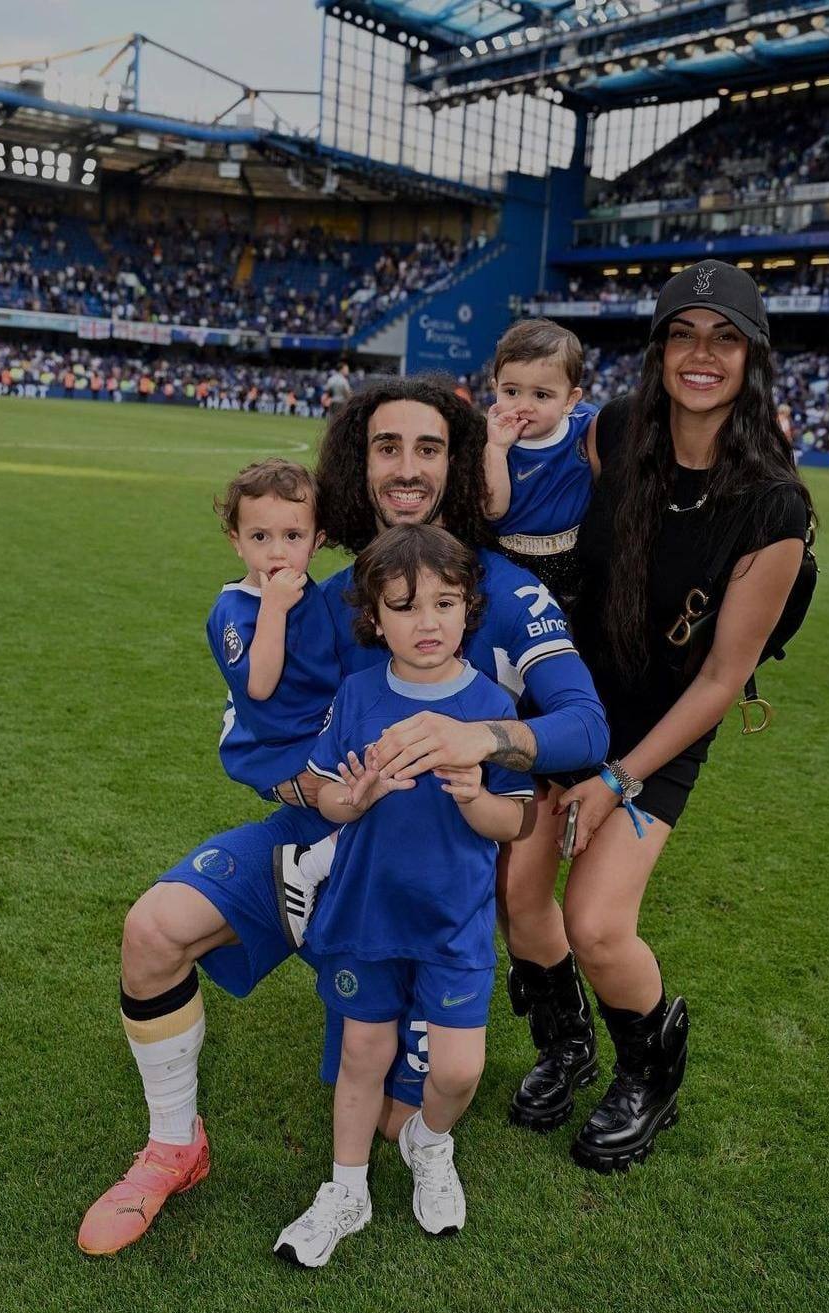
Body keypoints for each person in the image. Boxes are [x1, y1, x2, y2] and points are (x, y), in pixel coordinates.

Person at [77, 376, 607, 1256]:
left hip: (429, 865)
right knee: (152, 930)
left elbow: (583, 724)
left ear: (462, 462)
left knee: (404, 1113)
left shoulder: (501, 592)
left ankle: (406, 1116)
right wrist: (312, 789)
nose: (406, 467)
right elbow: (258, 742)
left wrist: (476, 736)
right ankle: (175, 1144)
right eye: (386, 447)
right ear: (357, 468)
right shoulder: (329, 598)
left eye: (429, 447)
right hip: (326, 838)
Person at [501, 260, 814, 1172]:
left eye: (724, 338)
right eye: (684, 334)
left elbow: (722, 679)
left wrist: (617, 780)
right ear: (659, 350)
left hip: (660, 729)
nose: (701, 354)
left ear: (752, 358)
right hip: (565, 699)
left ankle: (650, 1075)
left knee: (597, 922)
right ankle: (566, 1044)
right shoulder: (614, 432)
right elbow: (531, 492)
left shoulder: (775, 506)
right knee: (518, 896)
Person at [274, 525, 531, 1268]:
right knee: (363, 1050)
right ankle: (346, 1188)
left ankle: (429, 1139)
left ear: (468, 608)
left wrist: (476, 794)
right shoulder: (357, 695)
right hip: (366, 912)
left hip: (454, 918)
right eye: (405, 606)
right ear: (374, 619)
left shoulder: (490, 708)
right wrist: (350, 799)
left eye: (445, 603)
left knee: (456, 1071)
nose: (428, 622)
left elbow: (514, 817)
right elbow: (326, 793)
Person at [207, 459, 341, 809]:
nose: (277, 551)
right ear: (237, 542)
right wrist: (273, 608)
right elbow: (259, 684)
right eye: (260, 537)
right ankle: (310, 862)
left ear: (316, 542)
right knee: (346, 799)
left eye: (293, 536)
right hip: (281, 744)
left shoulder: (306, 589)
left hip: (325, 723)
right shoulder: (234, 609)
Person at [483, 318, 597, 604]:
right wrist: (496, 450)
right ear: (494, 387)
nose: (524, 405)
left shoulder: (588, 424)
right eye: (511, 392)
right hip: (513, 556)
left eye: (541, 395)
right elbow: (494, 510)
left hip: (574, 552)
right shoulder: (491, 442)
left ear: (570, 400)